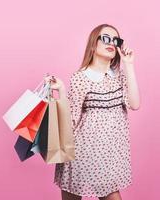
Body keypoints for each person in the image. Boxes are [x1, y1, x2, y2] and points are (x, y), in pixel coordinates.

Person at [44, 23, 140, 200]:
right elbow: (71, 120)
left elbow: (135, 104)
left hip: (110, 156)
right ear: (93, 44)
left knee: (111, 195)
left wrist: (129, 64)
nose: (111, 42)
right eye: (105, 38)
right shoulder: (80, 77)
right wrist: (62, 91)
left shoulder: (119, 76)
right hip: (82, 153)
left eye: (115, 40)